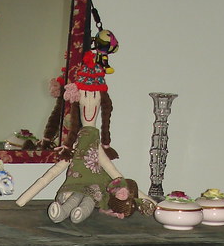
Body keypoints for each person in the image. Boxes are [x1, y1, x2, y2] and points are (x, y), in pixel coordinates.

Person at [16, 51, 149, 222]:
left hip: (92, 190)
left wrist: (148, 201)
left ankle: (73, 213)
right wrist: (24, 199)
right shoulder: (78, 146)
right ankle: (61, 213)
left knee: (87, 199)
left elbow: (114, 174)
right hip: (72, 187)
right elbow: (54, 172)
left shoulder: (92, 147)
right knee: (75, 197)